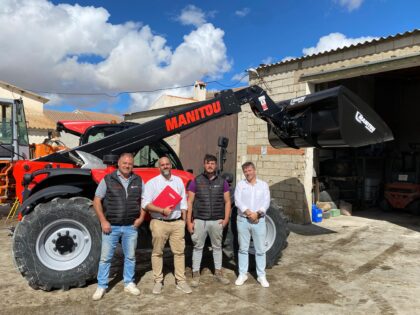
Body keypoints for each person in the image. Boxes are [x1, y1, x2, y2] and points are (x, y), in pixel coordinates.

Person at [92, 153, 145, 301]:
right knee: (105, 258)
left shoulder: (138, 180)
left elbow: (144, 200)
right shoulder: (108, 179)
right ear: (119, 164)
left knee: (131, 257)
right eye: (124, 163)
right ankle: (102, 286)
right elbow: (97, 200)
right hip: (112, 226)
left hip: (130, 226)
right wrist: (103, 221)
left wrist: (141, 218)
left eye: (130, 164)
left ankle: (129, 283)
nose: (127, 166)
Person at [143, 156, 192, 294]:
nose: (165, 166)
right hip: (159, 222)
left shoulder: (178, 181)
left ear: (171, 166)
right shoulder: (152, 183)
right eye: (162, 164)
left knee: (179, 253)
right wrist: (161, 210)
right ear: (159, 167)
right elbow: (146, 204)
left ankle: (181, 281)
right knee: (158, 252)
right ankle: (158, 281)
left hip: (176, 223)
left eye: (167, 164)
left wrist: (183, 220)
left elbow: (183, 201)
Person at [187, 154, 231, 287]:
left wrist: (226, 219)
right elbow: (190, 201)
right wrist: (189, 221)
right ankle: (195, 274)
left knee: (217, 247)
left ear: (216, 165)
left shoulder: (222, 182)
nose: (210, 165)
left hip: (217, 221)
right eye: (208, 163)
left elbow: (228, 201)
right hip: (200, 220)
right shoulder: (196, 181)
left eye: (212, 163)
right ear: (204, 165)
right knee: (198, 247)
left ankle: (218, 273)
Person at [234, 161, 270, 288]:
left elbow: (266, 202)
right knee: (243, 249)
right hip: (243, 220)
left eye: (249, 170)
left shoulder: (263, 185)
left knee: (260, 249)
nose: (247, 173)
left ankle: (261, 275)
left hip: (259, 221)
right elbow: (237, 200)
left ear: (254, 170)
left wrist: (258, 214)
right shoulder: (240, 185)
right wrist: (249, 212)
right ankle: (242, 274)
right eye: (245, 171)